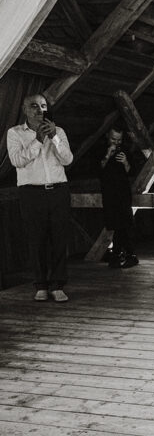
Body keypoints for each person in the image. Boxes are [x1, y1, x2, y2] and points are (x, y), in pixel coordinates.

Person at [7, 94, 72, 302]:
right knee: (36, 240)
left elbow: (68, 159)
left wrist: (54, 138)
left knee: (59, 239)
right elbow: (17, 160)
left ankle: (58, 285)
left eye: (43, 106)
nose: (39, 110)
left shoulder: (59, 131)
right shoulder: (15, 133)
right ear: (25, 110)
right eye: (34, 106)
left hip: (58, 190)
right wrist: (37, 140)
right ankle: (41, 285)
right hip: (31, 193)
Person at [96, 124, 139, 268]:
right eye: (114, 139)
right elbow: (98, 171)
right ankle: (121, 255)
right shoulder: (100, 150)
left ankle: (122, 255)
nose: (116, 142)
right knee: (116, 224)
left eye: (119, 140)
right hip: (109, 192)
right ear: (108, 136)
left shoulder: (125, 150)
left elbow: (131, 172)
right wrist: (107, 155)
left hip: (123, 192)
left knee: (124, 223)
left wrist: (125, 162)